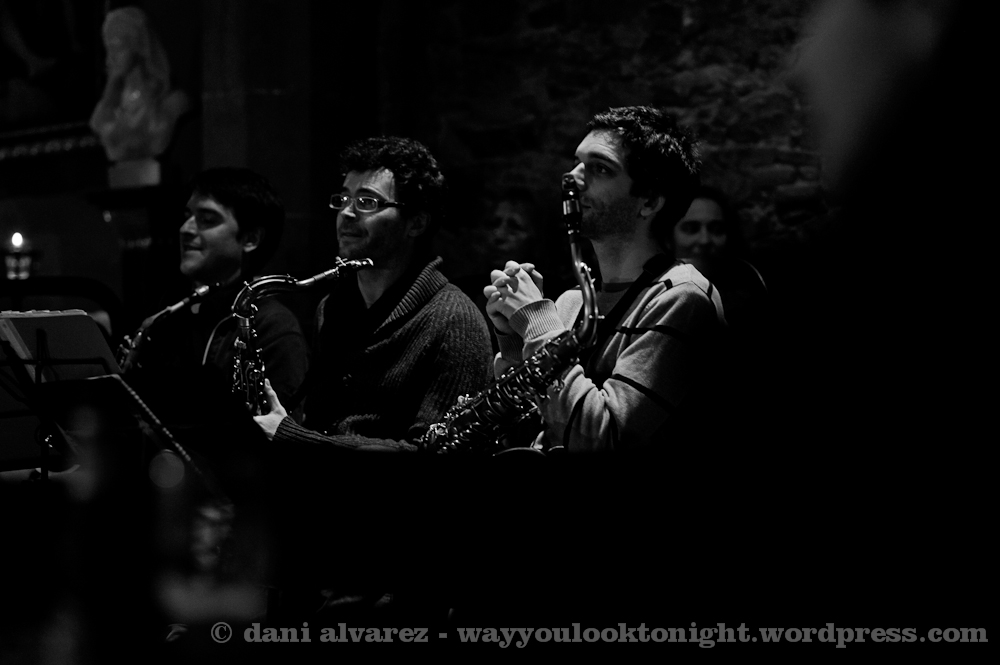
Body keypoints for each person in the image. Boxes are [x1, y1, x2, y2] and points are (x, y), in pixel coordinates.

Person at [484, 106, 725, 451]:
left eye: (600, 168)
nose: (571, 178)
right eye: (576, 162)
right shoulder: (571, 303)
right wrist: (514, 339)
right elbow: (524, 435)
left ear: (649, 201)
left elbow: (605, 440)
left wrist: (537, 320)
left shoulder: (682, 298)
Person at [124, 167, 308, 413]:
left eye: (207, 220)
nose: (186, 229)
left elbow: (284, 428)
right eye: (188, 216)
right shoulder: (168, 313)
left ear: (250, 239)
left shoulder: (274, 327)